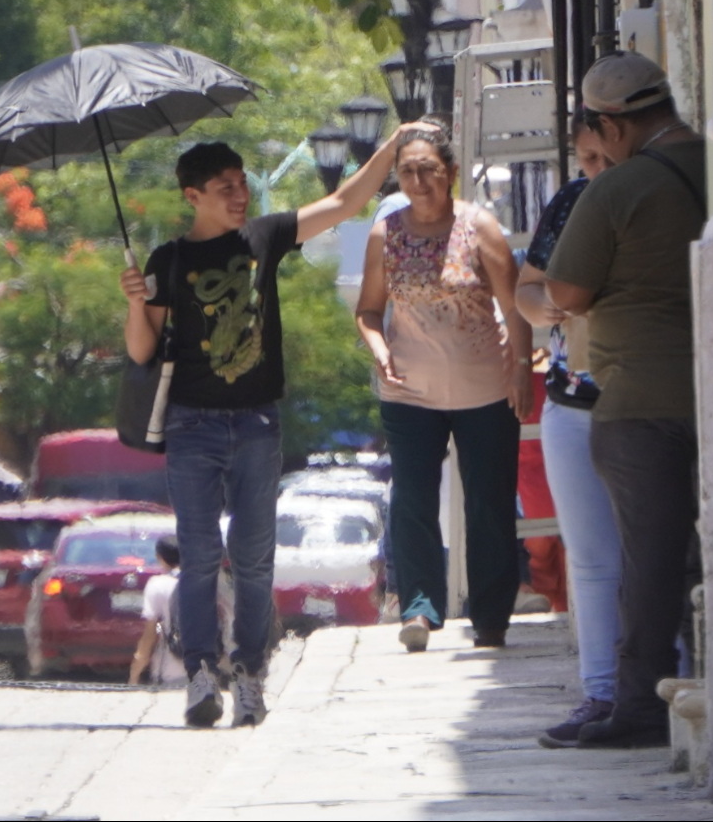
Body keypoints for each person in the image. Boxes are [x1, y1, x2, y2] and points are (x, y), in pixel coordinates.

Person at [120, 122, 438, 728]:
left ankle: (249, 675)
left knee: (255, 556)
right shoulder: (171, 259)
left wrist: (391, 148)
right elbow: (141, 351)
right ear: (192, 195)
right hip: (192, 426)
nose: (239, 196)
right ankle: (199, 674)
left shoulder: (264, 236)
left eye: (241, 184)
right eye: (223, 188)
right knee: (199, 553)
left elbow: (343, 203)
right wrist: (137, 300)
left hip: (258, 422)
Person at [543, 51, 707, 748]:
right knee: (704, 551)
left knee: (649, 562)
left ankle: (640, 704)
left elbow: (564, 294)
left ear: (610, 125)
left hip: (639, 400)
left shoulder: (618, 189)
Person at [355, 123, 533, 653]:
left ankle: (491, 616)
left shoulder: (480, 228)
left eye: (427, 169)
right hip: (410, 391)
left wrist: (522, 369)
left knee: (489, 502)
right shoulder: (385, 233)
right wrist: (380, 349)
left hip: (485, 389)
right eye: (407, 171)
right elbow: (368, 310)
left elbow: (515, 306)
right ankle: (419, 608)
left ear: (450, 173)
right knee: (411, 499)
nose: (417, 180)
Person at [513, 113, 623, 747]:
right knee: (589, 555)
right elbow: (528, 290)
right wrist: (547, 305)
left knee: (651, 548)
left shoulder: (646, 197)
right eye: (585, 160)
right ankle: (600, 690)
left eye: (603, 156)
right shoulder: (571, 204)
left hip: (637, 392)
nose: (595, 171)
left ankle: (666, 673)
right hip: (571, 392)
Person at [129, 535, 185, 686]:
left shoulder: (158, 585)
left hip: (170, 670)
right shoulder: (205, 582)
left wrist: (134, 675)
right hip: (206, 671)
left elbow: (149, 636)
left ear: (160, 557)